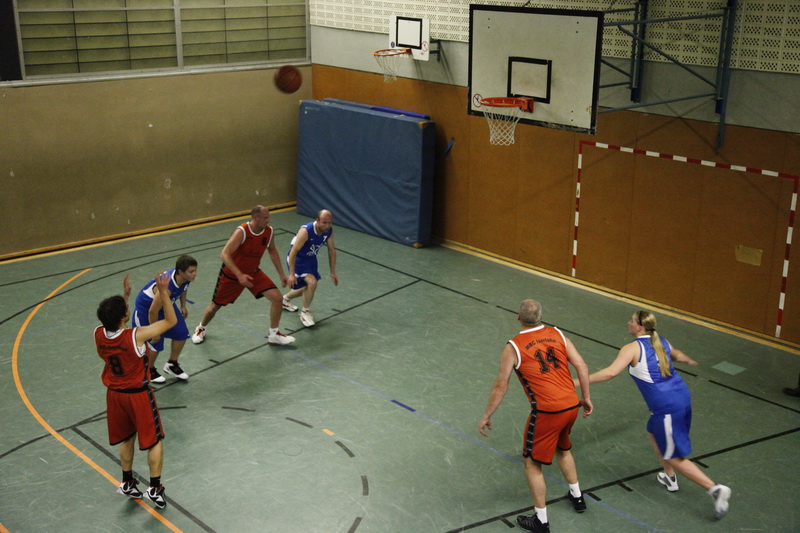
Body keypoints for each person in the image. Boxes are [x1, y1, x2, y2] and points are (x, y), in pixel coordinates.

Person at [580, 310, 731, 519]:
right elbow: (677, 355)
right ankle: (669, 477)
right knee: (653, 430)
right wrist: (688, 360)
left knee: (674, 456)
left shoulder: (632, 348)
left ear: (640, 327)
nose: (628, 322)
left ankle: (715, 489)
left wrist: (578, 381)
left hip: (667, 407)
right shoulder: (661, 341)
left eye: (632, 321)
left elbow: (611, 372)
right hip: (681, 397)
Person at [479, 299, 593, 533]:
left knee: (532, 463)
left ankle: (541, 521)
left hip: (547, 412)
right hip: (571, 405)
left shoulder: (514, 347)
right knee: (563, 449)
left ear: (518, 317)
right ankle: (577, 496)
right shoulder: (558, 334)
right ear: (541, 316)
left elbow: (500, 387)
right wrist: (586, 397)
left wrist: (487, 414)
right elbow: (581, 366)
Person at [94, 273, 175, 509]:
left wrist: (125, 297)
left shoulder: (98, 333)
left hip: (114, 396)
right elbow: (170, 321)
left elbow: (115, 325)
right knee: (154, 440)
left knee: (126, 437)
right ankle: (155, 487)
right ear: (124, 316)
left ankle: (127, 481)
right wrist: (163, 293)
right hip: (138, 395)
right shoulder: (136, 336)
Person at [191, 205, 295, 346]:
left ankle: (274, 334)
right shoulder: (242, 231)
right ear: (256, 218)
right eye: (265, 218)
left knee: (277, 298)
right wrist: (239, 275)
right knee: (215, 306)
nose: (268, 220)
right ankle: (201, 328)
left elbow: (272, 251)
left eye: (268, 217)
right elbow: (224, 254)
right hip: (232, 276)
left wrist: (282, 274)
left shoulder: (269, 232)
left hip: (253, 273)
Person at [132, 255, 197, 383]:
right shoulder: (167, 289)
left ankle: (172, 364)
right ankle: (149, 370)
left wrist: (183, 305)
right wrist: (155, 332)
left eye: (195, 270)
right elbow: (152, 311)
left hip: (166, 305)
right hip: (147, 310)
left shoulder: (185, 278)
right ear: (180, 272)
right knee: (156, 342)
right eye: (191, 271)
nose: (195, 274)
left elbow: (184, 289)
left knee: (181, 333)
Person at [281, 209, 339, 328]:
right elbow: (293, 252)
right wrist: (291, 274)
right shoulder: (306, 231)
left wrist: (332, 272)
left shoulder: (328, 231)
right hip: (297, 259)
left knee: (306, 287)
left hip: (311, 259)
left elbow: (332, 251)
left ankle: (284, 300)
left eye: (329, 222)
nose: (327, 225)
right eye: (324, 223)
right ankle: (305, 313)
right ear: (317, 220)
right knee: (312, 283)